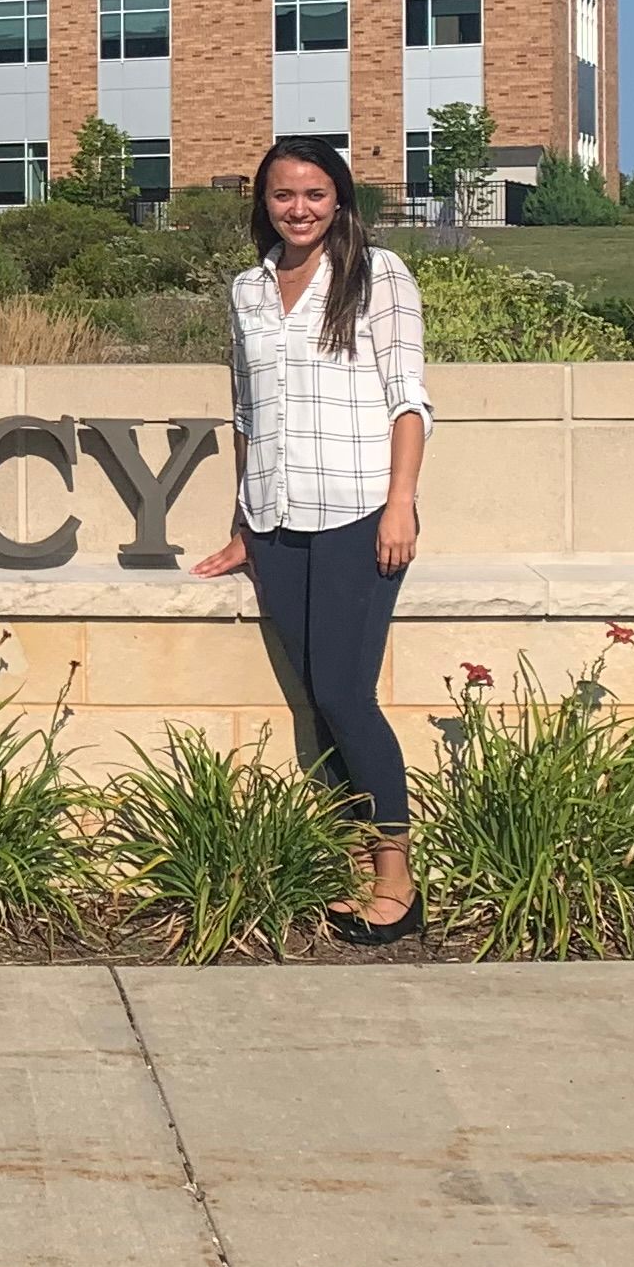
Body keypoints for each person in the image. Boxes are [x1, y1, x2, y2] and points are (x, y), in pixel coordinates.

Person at [190, 138, 432, 943]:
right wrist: (243, 525)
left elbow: (408, 399)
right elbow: (247, 413)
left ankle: (396, 879)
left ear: (340, 199)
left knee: (343, 695)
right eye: (283, 195)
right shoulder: (248, 289)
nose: (299, 209)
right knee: (316, 700)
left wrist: (401, 505)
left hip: (359, 510)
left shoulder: (378, 275)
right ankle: (352, 863)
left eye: (315, 195)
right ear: (264, 202)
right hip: (276, 520)